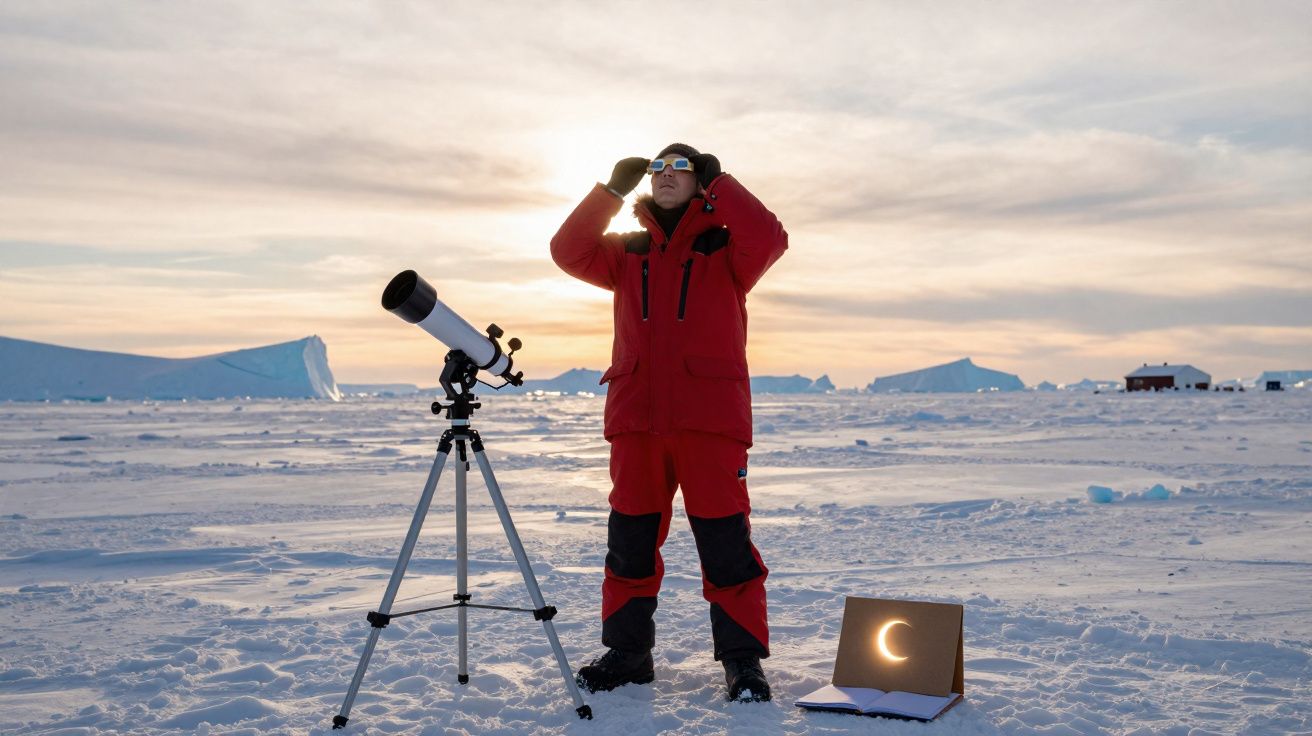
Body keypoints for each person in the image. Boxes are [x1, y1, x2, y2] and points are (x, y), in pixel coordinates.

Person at [550, 143, 788, 702]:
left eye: (679, 168)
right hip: (637, 422)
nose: (663, 175)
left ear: (700, 181)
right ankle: (629, 654)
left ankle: (743, 663)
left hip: (709, 422)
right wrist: (609, 191)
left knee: (726, 546)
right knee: (629, 544)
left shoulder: (728, 249)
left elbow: (772, 238)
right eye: (656, 168)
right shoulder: (627, 252)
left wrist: (723, 182)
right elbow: (568, 250)